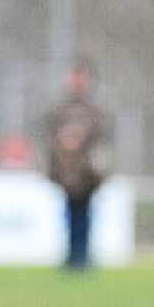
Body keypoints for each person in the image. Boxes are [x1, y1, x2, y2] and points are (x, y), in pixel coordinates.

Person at [45, 63, 110, 269]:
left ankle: (82, 256)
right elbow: (50, 137)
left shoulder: (95, 109)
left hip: (87, 172)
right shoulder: (60, 109)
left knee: (85, 214)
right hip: (66, 172)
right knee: (69, 214)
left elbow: (103, 139)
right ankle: (72, 256)